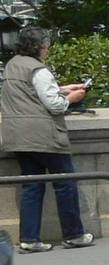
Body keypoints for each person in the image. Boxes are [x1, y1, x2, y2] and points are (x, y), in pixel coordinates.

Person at [1, 26, 94, 253]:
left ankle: (29, 239)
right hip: (43, 135)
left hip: (18, 134)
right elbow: (54, 105)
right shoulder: (39, 70)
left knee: (32, 186)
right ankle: (74, 234)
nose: (48, 49)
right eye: (46, 45)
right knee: (65, 183)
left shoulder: (12, 65)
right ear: (39, 47)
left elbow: (29, 93)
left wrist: (61, 88)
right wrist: (72, 97)